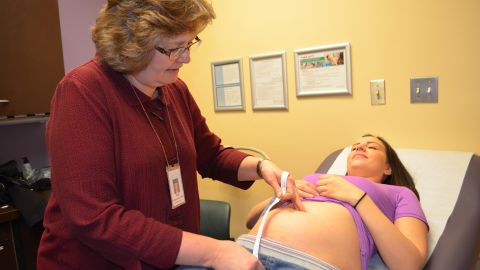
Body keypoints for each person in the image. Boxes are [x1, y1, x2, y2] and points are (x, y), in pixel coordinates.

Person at [36, 1, 303, 269]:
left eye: (189, 44)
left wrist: (262, 167)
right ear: (132, 45)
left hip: (168, 260)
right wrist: (213, 252)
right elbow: (93, 217)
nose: (186, 57)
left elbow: (211, 155)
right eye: (175, 48)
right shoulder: (82, 92)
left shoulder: (175, 90)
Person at [241, 134, 429, 270]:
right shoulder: (319, 178)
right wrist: (281, 195)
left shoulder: (400, 193)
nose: (359, 147)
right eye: (355, 146)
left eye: (371, 146)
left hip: (308, 264)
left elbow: (409, 264)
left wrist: (359, 199)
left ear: (388, 168)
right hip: (246, 251)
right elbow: (250, 220)